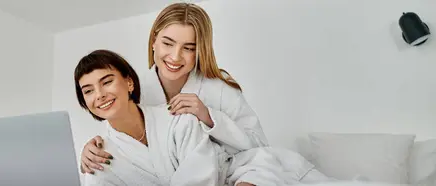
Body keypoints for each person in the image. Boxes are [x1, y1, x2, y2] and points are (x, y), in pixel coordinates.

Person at [74, 49, 333, 186]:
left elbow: (200, 177)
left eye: (107, 82)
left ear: (129, 83)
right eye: (88, 91)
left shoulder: (178, 119)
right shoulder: (98, 157)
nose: (100, 95)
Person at [80, 2, 268, 174]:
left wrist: (209, 117)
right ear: (154, 41)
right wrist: (91, 150)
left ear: (200, 50)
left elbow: (260, 149)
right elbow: (120, 138)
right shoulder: (134, 89)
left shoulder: (219, 87)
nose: (175, 57)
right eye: (167, 43)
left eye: (189, 48)